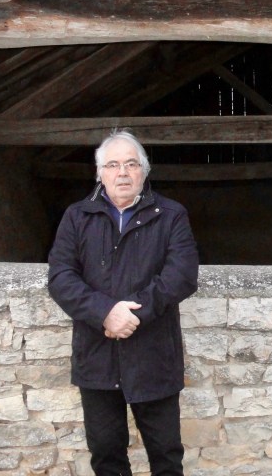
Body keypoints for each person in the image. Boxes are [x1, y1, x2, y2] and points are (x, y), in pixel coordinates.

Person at [47, 129, 199, 476]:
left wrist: (132, 314)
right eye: (113, 165)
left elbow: (182, 276)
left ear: (144, 171)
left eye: (132, 164)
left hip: (154, 354)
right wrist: (105, 313)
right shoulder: (77, 216)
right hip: (97, 355)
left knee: (165, 455)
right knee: (106, 455)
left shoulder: (171, 215)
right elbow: (61, 276)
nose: (123, 172)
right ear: (99, 172)